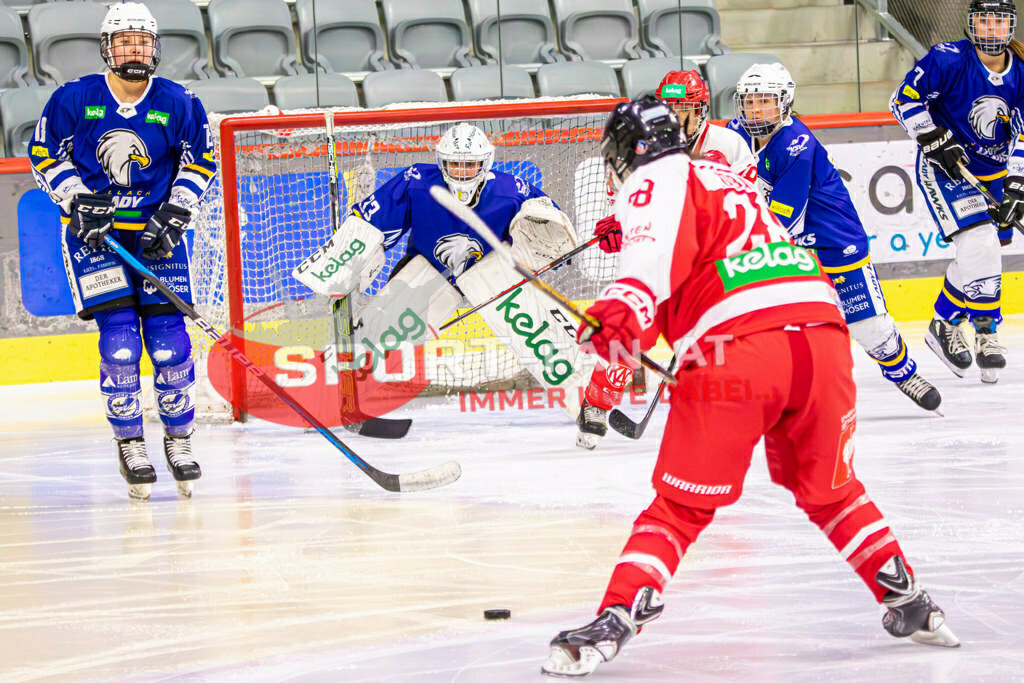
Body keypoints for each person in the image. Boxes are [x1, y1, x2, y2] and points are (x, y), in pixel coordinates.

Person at [540, 96, 958, 679]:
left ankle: (616, 618)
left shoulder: (651, 179)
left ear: (624, 152)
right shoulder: (724, 172)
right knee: (832, 490)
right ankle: (912, 603)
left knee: (679, 508)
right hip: (820, 335)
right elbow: (705, 258)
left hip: (740, 351)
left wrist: (616, 319)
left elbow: (645, 278)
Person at [29, 2, 216, 500]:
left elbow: (200, 161)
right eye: (124, 41)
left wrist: (176, 212)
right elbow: (44, 152)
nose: (134, 49)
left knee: (169, 341)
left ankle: (179, 441)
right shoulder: (75, 97)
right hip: (96, 236)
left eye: (142, 41)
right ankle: (131, 443)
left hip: (157, 234)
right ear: (107, 48)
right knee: (120, 343)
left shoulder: (179, 101)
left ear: (155, 48)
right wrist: (77, 198)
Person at [292, 122, 586, 408]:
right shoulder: (417, 182)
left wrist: (552, 248)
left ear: (485, 164)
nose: (461, 173)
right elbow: (371, 221)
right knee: (380, 333)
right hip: (430, 274)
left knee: (537, 329)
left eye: (469, 165)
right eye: (454, 165)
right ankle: (326, 396)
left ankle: (586, 393)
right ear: (441, 163)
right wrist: (345, 259)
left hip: (493, 277)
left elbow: (551, 235)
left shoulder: (512, 190)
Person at [726, 63, 942, 412]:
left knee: (869, 327)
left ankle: (903, 372)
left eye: (764, 101)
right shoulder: (735, 135)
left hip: (833, 242)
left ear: (784, 102)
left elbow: (786, 218)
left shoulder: (797, 144)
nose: (755, 110)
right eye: (749, 102)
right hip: (789, 249)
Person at [575, 70, 757, 449]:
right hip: (663, 257)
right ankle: (596, 404)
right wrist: (620, 227)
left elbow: (748, 203)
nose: (679, 119)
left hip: (712, 261)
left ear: (702, 109)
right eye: (671, 109)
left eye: (686, 109)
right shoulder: (640, 145)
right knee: (635, 329)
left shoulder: (730, 144)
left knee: (717, 340)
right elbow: (635, 209)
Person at [889, 0, 1019, 383]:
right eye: (984, 21)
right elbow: (903, 100)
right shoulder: (947, 59)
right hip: (946, 169)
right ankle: (987, 333)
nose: (991, 30)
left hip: (996, 172)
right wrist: (930, 135)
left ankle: (942, 324)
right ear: (971, 24)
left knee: (980, 252)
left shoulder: (1023, 71)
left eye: (999, 22)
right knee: (981, 244)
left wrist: (1017, 183)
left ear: (1010, 26)